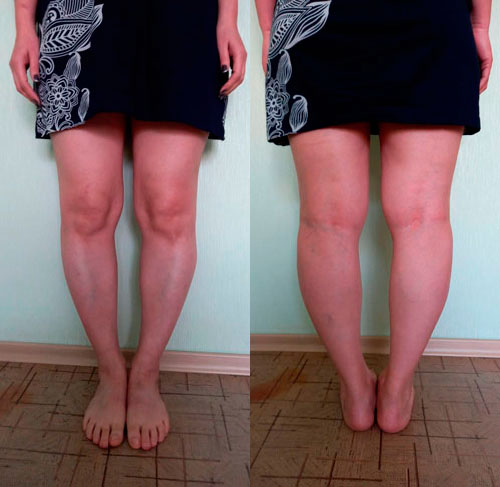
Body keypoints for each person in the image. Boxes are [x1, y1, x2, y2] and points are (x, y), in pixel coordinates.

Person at [9, 0, 246, 450]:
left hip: (181, 18)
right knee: (87, 209)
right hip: (79, 10)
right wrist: (23, 23)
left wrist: (229, 18)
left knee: (168, 211)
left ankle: (147, 374)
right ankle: (110, 371)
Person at [256, 0, 492, 433]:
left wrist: (270, 26)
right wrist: (480, 24)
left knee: (326, 221)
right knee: (422, 218)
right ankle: (397, 390)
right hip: (429, 16)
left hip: (318, 15)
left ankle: (355, 388)